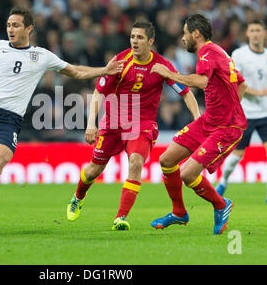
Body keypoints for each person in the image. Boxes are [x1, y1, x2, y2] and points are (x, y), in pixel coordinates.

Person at [0, 6, 125, 232]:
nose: (11, 29)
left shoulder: (42, 56)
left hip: (8, 120)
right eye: (9, 25)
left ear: (29, 28)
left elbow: (76, 71)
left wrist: (104, 71)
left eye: (16, 25)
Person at [66, 20, 200, 230]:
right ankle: (77, 197)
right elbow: (99, 93)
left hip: (142, 125)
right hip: (112, 123)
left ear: (151, 41)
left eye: (139, 38)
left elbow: (186, 93)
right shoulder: (120, 61)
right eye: (132, 37)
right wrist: (91, 124)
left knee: (136, 162)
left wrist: (198, 121)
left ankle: (121, 218)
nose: (134, 41)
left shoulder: (162, 65)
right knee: (93, 170)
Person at [149, 14, 248, 235]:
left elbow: (202, 82)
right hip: (209, 120)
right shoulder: (220, 52)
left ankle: (221, 205)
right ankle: (179, 212)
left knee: (187, 174)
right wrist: (228, 107)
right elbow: (242, 84)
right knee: (166, 159)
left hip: (226, 128)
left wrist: (169, 73)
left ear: (196, 33)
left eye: (185, 33)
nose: (183, 39)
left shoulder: (208, 52)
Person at [216, 20, 267, 204]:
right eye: (252, 30)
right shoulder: (239, 55)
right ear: (247, 33)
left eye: (258, 30)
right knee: (238, 154)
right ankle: (222, 182)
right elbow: (234, 83)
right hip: (245, 113)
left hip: (265, 112)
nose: (255, 34)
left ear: (264, 33)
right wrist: (255, 92)